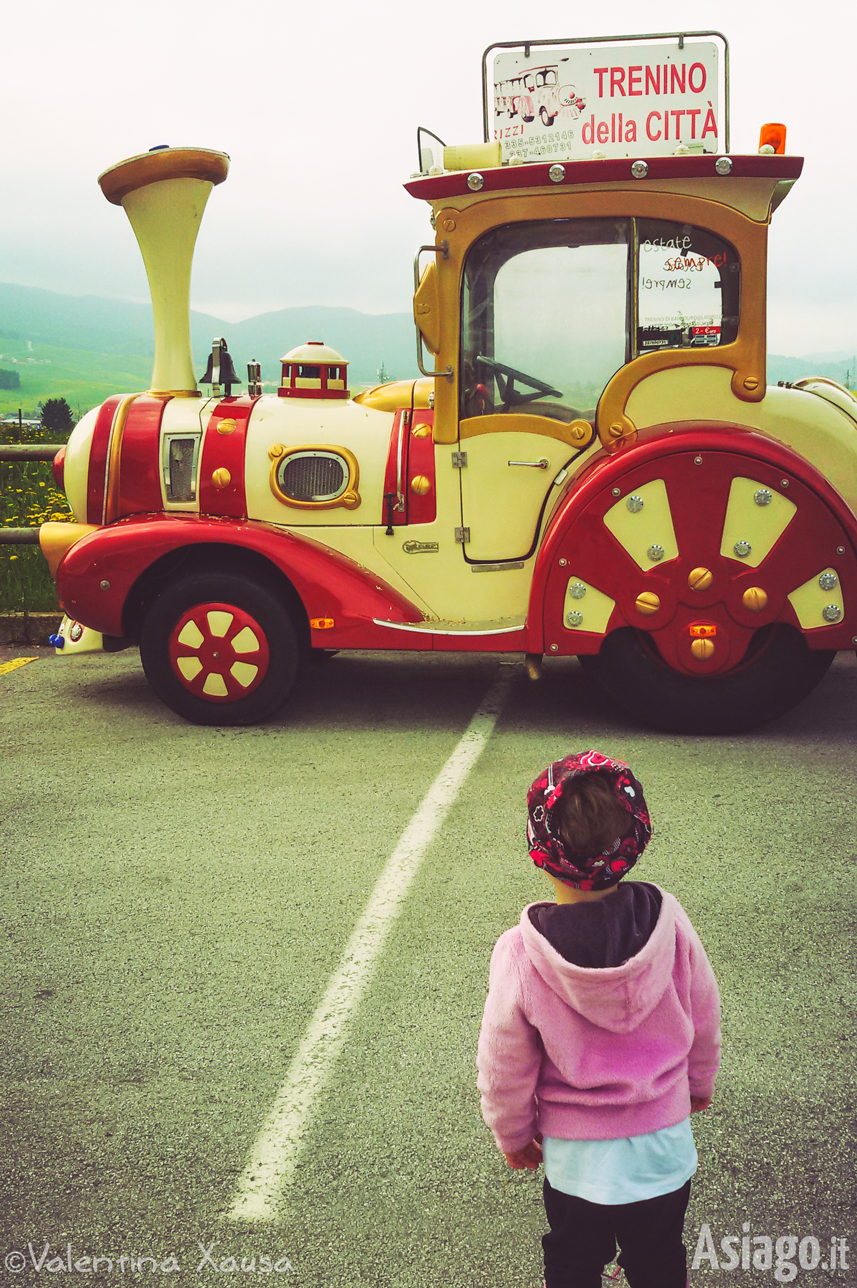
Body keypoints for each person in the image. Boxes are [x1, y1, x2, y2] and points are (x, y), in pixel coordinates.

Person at [476, 750, 721, 1288]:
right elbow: (703, 1011)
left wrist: (513, 1134)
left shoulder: (524, 953)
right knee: (658, 1258)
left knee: (572, 1263)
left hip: (578, 1160)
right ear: (633, 840)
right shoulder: (670, 924)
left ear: (540, 850)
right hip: (663, 1147)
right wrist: (698, 1083)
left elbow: (503, 1061)